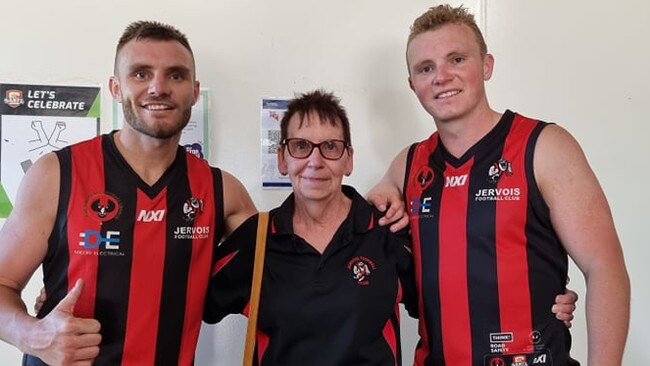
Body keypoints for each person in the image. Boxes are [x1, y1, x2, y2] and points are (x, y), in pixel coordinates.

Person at [367, 4, 630, 366]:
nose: (441, 77)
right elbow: (372, 213)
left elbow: (605, 267)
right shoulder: (408, 164)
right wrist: (379, 196)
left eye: (456, 59)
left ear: (486, 66)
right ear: (413, 84)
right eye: (426, 68)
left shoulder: (545, 147)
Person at [0, 21, 256, 365]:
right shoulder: (56, 173)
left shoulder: (223, 191)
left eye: (175, 76)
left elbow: (285, 270)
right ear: (116, 88)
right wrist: (34, 336)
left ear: (194, 92)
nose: (158, 87)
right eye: (140, 74)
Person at [203, 89, 417, 365]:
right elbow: (189, 304)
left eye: (330, 147)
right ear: (282, 159)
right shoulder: (257, 240)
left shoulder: (386, 231)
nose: (315, 162)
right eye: (301, 146)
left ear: (348, 159)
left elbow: (443, 307)